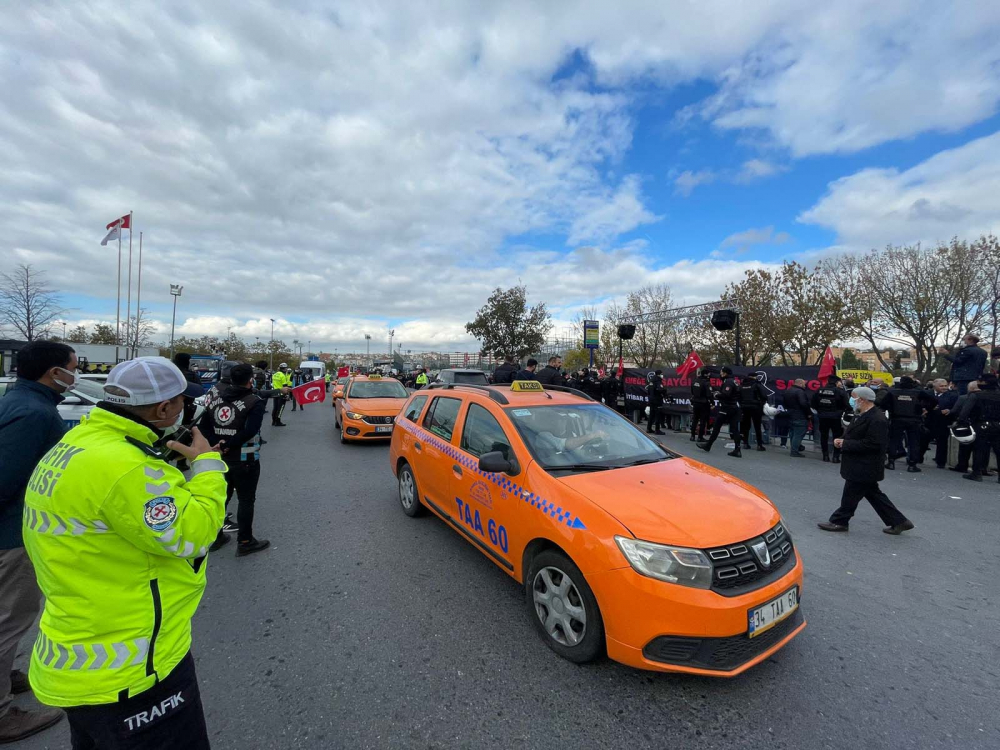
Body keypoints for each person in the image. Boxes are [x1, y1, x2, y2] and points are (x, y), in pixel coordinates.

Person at [22, 356, 225, 748]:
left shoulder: (81, 442)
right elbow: (194, 534)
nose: (185, 408)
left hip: (76, 654)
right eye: (181, 402)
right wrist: (208, 465)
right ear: (164, 408)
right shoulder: (129, 468)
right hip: (133, 669)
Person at [0, 341, 76, 743]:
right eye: (73, 368)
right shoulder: (34, 412)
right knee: (10, 620)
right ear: (54, 372)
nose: (75, 375)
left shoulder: (18, 401)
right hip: (13, 533)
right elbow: (5, 478)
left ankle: (6, 675)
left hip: (13, 530)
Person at [818, 387, 914, 535]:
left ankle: (839, 521)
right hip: (861, 463)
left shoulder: (877, 418)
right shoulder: (862, 415)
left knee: (851, 494)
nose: (851, 401)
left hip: (865, 464)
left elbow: (874, 444)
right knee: (873, 494)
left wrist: (845, 444)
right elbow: (855, 435)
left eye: (853, 398)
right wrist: (842, 440)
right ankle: (899, 521)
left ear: (862, 400)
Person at [200, 364, 271, 554]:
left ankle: (215, 537)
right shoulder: (253, 401)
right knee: (246, 500)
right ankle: (245, 541)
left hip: (220, 458)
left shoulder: (215, 399)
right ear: (250, 380)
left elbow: (203, 426)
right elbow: (250, 431)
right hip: (245, 459)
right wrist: (228, 444)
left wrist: (218, 443)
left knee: (221, 498)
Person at [884, 375, 935, 472]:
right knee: (913, 442)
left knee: (893, 441)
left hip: (897, 418)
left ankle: (891, 462)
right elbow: (933, 400)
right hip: (914, 419)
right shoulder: (918, 392)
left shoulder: (893, 392)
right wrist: (925, 409)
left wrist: (891, 409)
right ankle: (912, 464)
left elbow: (883, 404)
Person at [960, 373, 1000, 482]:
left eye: (980, 381)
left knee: (979, 449)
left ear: (985, 382)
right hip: (998, 425)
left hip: (981, 424)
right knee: (998, 450)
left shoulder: (976, 395)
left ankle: (976, 473)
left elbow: (964, 413)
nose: (978, 383)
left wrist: (963, 422)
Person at [698, 366, 742, 457]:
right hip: (734, 407)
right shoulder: (733, 381)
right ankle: (737, 449)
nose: (720, 374)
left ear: (725, 373)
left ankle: (708, 445)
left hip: (727, 408)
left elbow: (726, 394)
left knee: (717, 426)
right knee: (734, 429)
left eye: (721, 372)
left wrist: (717, 395)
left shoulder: (728, 382)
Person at [812, 375, 849, 462]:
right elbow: (847, 405)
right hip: (836, 417)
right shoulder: (840, 392)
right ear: (837, 382)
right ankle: (836, 457)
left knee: (824, 436)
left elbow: (813, 404)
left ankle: (825, 456)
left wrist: (821, 411)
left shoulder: (819, 390)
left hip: (823, 417)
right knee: (837, 436)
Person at [924, 379, 958, 469]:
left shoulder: (953, 395)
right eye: (941, 386)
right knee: (923, 439)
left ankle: (941, 462)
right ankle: (918, 457)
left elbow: (955, 407)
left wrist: (949, 411)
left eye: (945, 386)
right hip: (928, 420)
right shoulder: (926, 393)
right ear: (935, 386)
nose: (944, 388)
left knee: (942, 442)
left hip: (943, 421)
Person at [949, 382, 980, 474]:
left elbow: (956, 410)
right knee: (980, 448)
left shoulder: (963, 398)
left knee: (965, 446)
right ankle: (981, 468)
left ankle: (962, 465)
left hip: (967, 424)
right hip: (982, 424)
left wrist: (959, 421)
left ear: (969, 388)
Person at [739, 371, 768, 451]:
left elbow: (738, 396)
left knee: (746, 426)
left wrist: (742, 404)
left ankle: (745, 443)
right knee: (757, 426)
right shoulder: (757, 384)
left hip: (744, 407)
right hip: (756, 407)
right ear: (755, 377)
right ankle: (759, 445)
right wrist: (761, 403)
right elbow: (764, 395)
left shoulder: (742, 384)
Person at [784, 378, 811, 457]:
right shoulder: (800, 392)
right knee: (798, 434)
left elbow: (785, 403)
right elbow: (803, 403)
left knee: (792, 433)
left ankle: (794, 448)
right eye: (804, 384)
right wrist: (809, 413)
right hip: (800, 415)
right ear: (799, 384)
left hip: (790, 415)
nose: (805, 386)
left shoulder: (788, 391)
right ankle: (794, 450)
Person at [689, 368, 713, 442]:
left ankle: (692, 436)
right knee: (703, 420)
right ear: (706, 374)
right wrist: (712, 403)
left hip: (695, 402)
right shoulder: (706, 382)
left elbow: (692, 392)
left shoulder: (694, 381)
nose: (709, 375)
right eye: (709, 374)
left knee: (695, 419)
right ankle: (700, 437)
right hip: (703, 403)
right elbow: (709, 394)